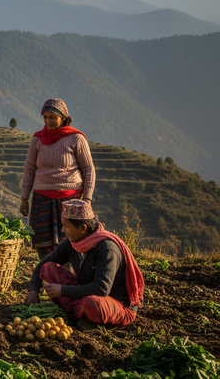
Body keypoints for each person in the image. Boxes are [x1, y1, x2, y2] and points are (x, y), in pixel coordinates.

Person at [25, 199, 144, 331]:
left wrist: (62, 290)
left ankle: (83, 313)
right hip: (86, 292)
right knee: (48, 267)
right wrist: (33, 290)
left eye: (66, 226)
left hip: (115, 302)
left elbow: (102, 288)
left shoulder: (106, 248)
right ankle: (80, 312)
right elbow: (45, 262)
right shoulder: (72, 242)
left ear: (83, 228)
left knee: (92, 303)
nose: (63, 230)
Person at [20, 98, 95, 259]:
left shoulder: (76, 138)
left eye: (52, 117)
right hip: (42, 199)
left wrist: (87, 199)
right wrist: (24, 198)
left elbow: (88, 169)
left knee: (70, 242)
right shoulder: (38, 139)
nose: (48, 121)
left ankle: (66, 277)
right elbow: (29, 170)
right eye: (45, 117)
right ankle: (50, 273)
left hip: (70, 199)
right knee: (42, 242)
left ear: (63, 117)